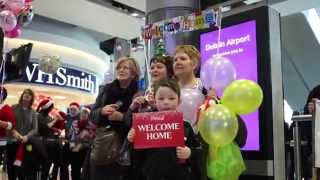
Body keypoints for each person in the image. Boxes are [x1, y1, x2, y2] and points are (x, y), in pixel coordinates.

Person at [127, 79, 201, 180]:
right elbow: (137, 157)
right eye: (161, 98)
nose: (166, 102)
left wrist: (190, 153)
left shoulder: (186, 126)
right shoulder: (145, 125)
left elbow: (198, 151)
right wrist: (132, 141)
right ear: (155, 101)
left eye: (171, 98)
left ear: (179, 101)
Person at [90, 57, 140, 180]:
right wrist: (102, 111)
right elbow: (92, 115)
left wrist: (123, 117)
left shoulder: (139, 93)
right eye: (119, 67)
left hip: (128, 145)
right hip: (104, 143)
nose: (121, 70)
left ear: (133, 74)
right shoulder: (106, 90)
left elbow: (143, 121)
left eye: (126, 68)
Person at [9, 88, 38, 180]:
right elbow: (8, 123)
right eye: (25, 93)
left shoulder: (33, 112)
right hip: (12, 142)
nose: (26, 95)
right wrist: (13, 132)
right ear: (22, 95)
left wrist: (27, 136)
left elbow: (35, 129)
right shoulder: (13, 107)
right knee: (11, 167)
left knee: (23, 169)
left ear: (31, 98)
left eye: (29, 94)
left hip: (25, 144)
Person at [36, 99, 63, 180]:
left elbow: (50, 128)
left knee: (47, 165)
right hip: (41, 144)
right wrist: (55, 120)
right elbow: (45, 127)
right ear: (47, 108)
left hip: (49, 145)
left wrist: (56, 130)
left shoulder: (48, 117)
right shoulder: (38, 116)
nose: (52, 109)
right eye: (51, 108)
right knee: (43, 166)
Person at [69, 106, 96, 180]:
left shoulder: (92, 126)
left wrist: (87, 136)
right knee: (74, 169)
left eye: (86, 113)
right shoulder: (74, 122)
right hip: (75, 149)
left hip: (86, 150)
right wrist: (72, 144)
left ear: (88, 115)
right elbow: (71, 135)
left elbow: (93, 139)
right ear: (80, 114)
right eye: (82, 113)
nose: (84, 115)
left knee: (85, 170)